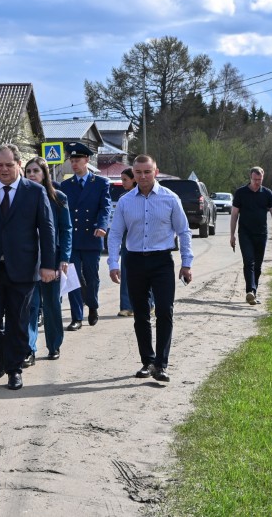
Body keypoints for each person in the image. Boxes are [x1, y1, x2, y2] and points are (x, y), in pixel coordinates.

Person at [107, 154, 193, 383]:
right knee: (141, 315)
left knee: (165, 310)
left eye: (147, 171)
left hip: (162, 261)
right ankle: (147, 361)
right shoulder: (125, 201)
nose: (143, 176)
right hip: (134, 261)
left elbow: (184, 232)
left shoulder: (170, 198)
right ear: (133, 174)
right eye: (138, 172)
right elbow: (115, 233)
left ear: (155, 172)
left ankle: (161, 365)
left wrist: (187, 263)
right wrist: (113, 263)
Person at [0, 144, 55, 390]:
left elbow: (47, 229)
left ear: (19, 165)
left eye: (9, 165)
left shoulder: (34, 192)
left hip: (23, 267)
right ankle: (2, 350)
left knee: (18, 321)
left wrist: (48, 265)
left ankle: (14, 370)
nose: (4, 169)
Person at [24, 156, 72, 362]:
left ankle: (54, 345)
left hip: (52, 260)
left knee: (52, 305)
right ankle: (29, 349)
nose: (32, 174)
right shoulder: (21, 196)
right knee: (30, 306)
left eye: (36, 171)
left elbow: (66, 229)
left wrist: (65, 258)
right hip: (28, 260)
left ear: (44, 174)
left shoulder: (58, 198)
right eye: (28, 171)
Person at [59, 142, 110, 331]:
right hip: (72, 239)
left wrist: (102, 225)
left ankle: (93, 306)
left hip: (92, 236)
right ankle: (76, 317)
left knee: (91, 277)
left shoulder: (100, 183)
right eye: (72, 160)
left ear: (87, 160)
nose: (74, 164)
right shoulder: (66, 185)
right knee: (73, 277)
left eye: (78, 160)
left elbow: (105, 208)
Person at [229, 167, 272, 306]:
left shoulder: (267, 194)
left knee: (258, 266)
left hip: (261, 234)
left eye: (260, 180)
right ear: (250, 177)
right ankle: (250, 291)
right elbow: (234, 215)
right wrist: (232, 235)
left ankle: (254, 293)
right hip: (245, 234)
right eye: (255, 180)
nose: (257, 183)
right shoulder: (241, 193)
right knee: (249, 262)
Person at [117, 168, 154, 316]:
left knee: (148, 275)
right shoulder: (123, 198)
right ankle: (127, 306)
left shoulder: (148, 197)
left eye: (125, 179)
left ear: (133, 179)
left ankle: (150, 304)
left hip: (146, 243)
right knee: (126, 275)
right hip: (128, 242)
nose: (123, 182)